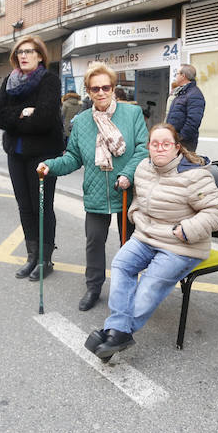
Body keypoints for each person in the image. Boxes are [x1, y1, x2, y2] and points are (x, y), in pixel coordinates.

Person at [84, 123, 218, 359]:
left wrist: (187, 230)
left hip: (180, 244)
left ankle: (118, 332)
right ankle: (117, 331)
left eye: (166, 144)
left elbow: (217, 212)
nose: (160, 148)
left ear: (177, 148)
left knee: (149, 283)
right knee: (121, 264)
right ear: (148, 147)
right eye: (155, 144)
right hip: (146, 236)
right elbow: (139, 201)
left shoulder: (194, 175)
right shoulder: (143, 168)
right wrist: (136, 216)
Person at [37, 62, 148, 311]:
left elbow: (142, 148)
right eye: (94, 88)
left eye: (105, 87)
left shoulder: (132, 114)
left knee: (129, 245)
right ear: (87, 91)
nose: (100, 92)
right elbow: (73, 158)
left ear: (113, 88)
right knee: (94, 242)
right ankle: (94, 288)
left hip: (126, 191)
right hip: (97, 192)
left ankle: (127, 289)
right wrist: (50, 165)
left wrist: (128, 174)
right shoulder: (83, 121)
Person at [0, 37, 63, 281]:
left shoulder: (49, 81)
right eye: (20, 52)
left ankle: (45, 259)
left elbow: (45, 119)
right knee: (25, 208)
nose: (24, 56)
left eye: (29, 52)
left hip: (43, 155)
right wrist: (23, 113)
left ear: (40, 56)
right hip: (16, 155)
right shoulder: (9, 82)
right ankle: (31, 256)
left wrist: (15, 121)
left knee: (42, 208)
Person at [165, 64, 205, 151]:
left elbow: (193, 121)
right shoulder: (181, 93)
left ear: (183, 76)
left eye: (177, 74)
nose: (176, 76)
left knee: (182, 164)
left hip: (184, 143)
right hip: (174, 140)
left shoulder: (194, 94)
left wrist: (180, 137)